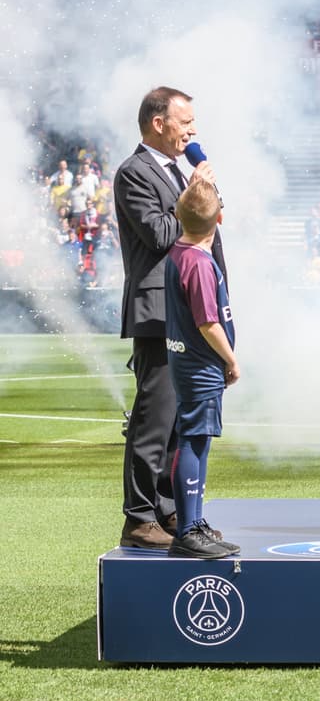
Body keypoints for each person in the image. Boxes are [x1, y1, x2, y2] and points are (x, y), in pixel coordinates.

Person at [114, 86, 226, 550]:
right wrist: (197, 195)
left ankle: (170, 511)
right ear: (158, 123)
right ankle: (140, 519)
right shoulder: (134, 172)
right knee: (153, 420)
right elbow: (160, 232)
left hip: (182, 311)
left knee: (179, 422)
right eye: (186, 122)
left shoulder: (176, 172)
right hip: (158, 312)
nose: (193, 130)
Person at [164, 181, 241, 558]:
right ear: (220, 219)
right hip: (200, 364)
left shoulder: (180, 251)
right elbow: (208, 322)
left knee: (198, 438)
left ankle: (194, 522)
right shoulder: (196, 262)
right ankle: (187, 529)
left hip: (189, 361)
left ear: (178, 216)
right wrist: (230, 359)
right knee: (193, 440)